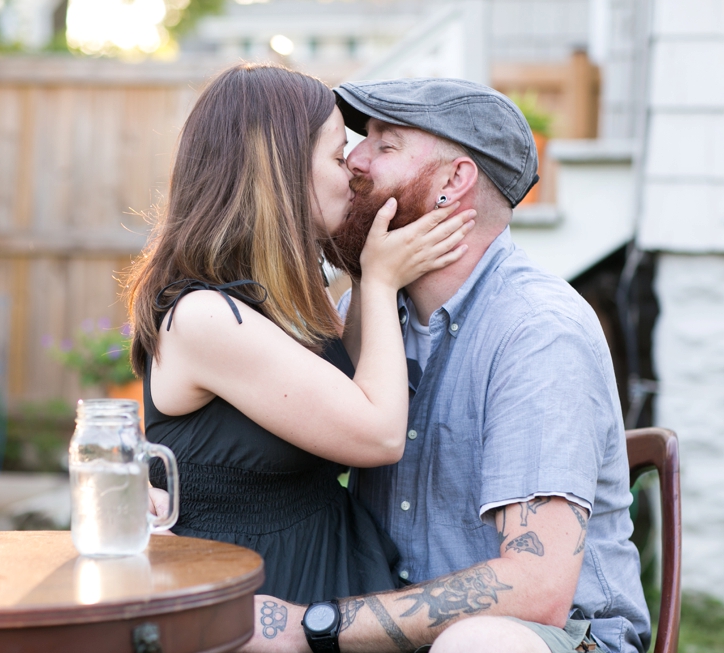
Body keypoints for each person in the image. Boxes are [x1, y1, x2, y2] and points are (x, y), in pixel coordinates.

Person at [243, 79, 651, 653]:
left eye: (385, 146)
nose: (352, 160)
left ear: (453, 182)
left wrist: (313, 626)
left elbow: (537, 589)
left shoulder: (536, 332)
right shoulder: (373, 310)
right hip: (401, 629)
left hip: (555, 637)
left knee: (477, 643)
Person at [124, 63, 474, 604]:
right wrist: (379, 283)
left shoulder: (284, 302)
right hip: (252, 604)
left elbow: (357, 383)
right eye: (338, 156)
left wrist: (363, 270)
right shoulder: (206, 318)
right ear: (282, 172)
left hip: (322, 581)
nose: (354, 171)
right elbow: (378, 433)